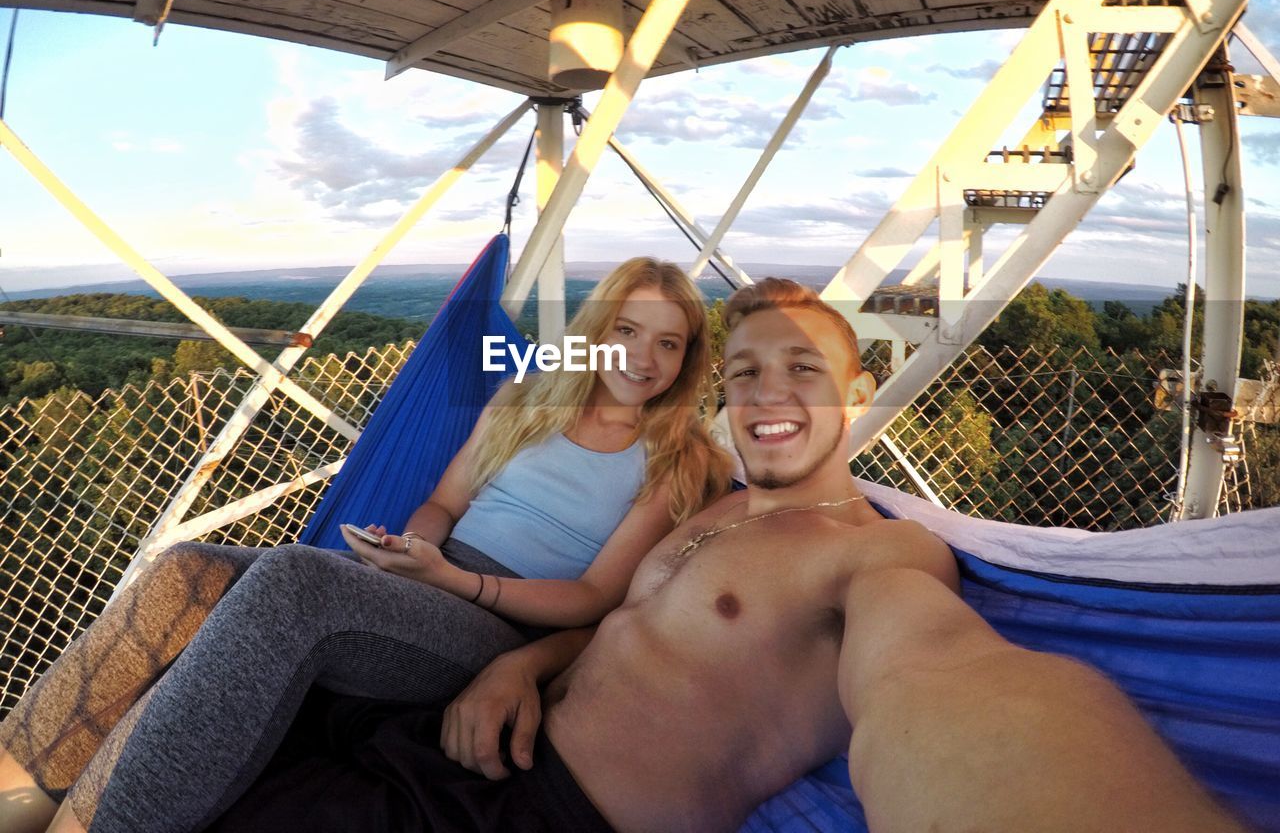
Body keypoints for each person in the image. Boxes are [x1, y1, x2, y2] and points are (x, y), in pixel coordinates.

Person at [208, 277, 1248, 833]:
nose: (764, 393)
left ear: (852, 398)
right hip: (460, 740)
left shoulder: (875, 554)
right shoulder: (713, 509)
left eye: (802, 369)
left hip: (553, 812)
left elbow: (945, 684)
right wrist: (518, 663)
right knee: (220, 714)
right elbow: (608, 618)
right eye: (744, 371)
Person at [0, 257, 732, 833]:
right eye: (627, 332)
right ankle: (13, 796)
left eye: (668, 343)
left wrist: (452, 582)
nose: (643, 357)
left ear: (688, 357)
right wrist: (411, 551)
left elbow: (594, 599)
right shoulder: (526, 400)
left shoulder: (677, 459)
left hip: (500, 621)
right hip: (429, 581)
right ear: (595, 331)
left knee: (293, 581)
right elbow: (444, 503)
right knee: (185, 570)